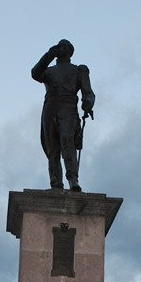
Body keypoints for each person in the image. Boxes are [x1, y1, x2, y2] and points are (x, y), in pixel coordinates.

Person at [31, 39, 95, 192]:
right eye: (59, 47)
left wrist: (87, 103)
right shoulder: (48, 71)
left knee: (68, 142)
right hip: (50, 108)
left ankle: (73, 180)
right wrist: (48, 55)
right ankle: (56, 183)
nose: (60, 49)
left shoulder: (79, 70)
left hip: (68, 106)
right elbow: (35, 73)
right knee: (52, 148)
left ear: (70, 51)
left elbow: (88, 91)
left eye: (63, 47)